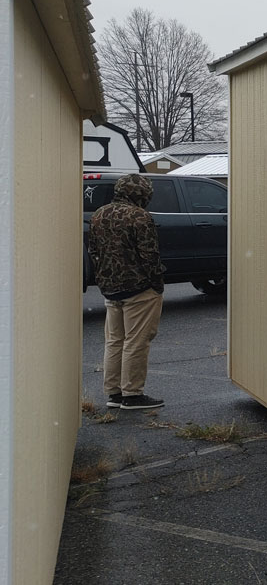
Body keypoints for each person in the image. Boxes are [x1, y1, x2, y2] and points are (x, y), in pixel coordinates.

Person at [87, 173, 166, 410]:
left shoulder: (99, 214)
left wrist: (104, 280)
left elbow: (94, 251)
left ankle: (114, 393)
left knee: (114, 341)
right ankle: (132, 394)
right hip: (139, 289)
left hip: (110, 289)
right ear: (143, 194)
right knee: (137, 341)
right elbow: (149, 255)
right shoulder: (140, 217)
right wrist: (157, 282)